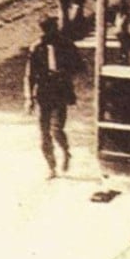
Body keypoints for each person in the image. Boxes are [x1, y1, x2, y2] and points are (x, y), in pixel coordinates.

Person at [24, 16, 85, 178]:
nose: (47, 33)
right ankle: (51, 166)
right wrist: (29, 98)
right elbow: (29, 75)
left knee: (57, 129)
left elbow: (79, 66)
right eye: (45, 30)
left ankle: (65, 151)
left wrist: (65, 73)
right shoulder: (36, 48)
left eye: (50, 29)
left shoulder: (66, 45)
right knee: (43, 133)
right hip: (43, 92)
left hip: (60, 91)